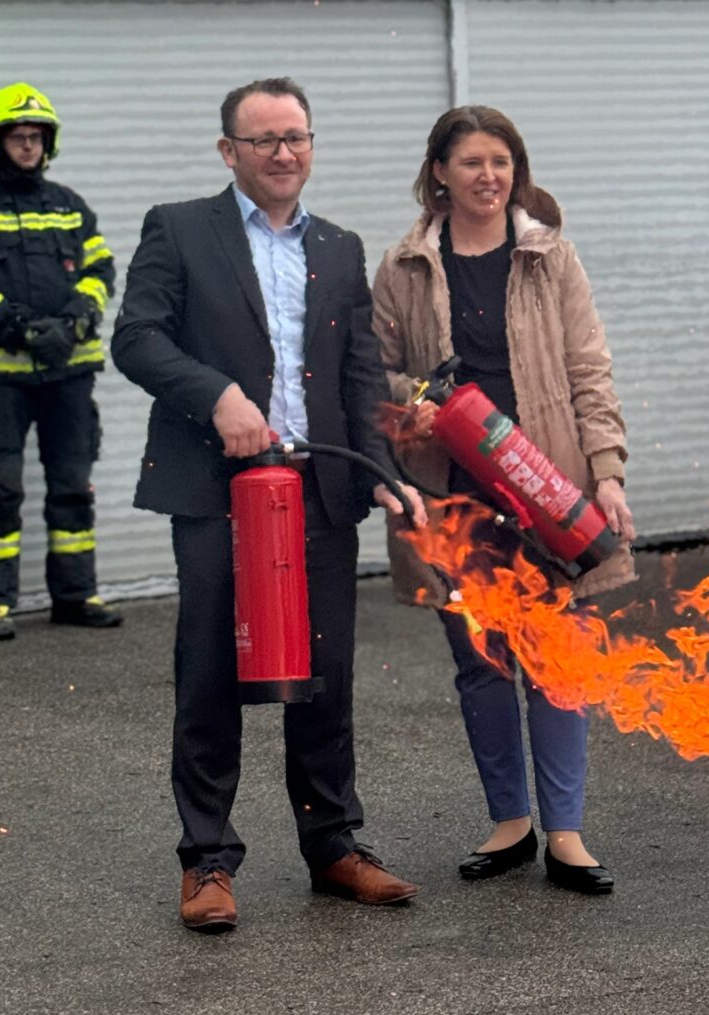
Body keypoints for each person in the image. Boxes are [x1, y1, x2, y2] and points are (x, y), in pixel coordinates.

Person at [112, 78, 427, 931]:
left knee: (324, 677)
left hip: (317, 489)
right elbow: (135, 338)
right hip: (217, 490)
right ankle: (207, 861)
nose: (283, 153)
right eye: (263, 140)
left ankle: (334, 846)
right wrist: (215, 396)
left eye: (296, 137)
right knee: (213, 667)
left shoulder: (338, 244)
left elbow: (360, 375)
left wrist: (385, 474)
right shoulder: (179, 229)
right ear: (229, 153)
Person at [372, 105, 637, 894]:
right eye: (472, 163)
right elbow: (373, 372)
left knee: (558, 665)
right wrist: (411, 400)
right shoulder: (403, 267)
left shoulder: (550, 257)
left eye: (502, 162)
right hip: (454, 501)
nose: (489, 176)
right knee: (482, 664)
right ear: (439, 174)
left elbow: (590, 369)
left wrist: (609, 471)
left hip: (549, 490)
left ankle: (565, 832)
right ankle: (509, 823)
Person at [0, 82, 123, 641]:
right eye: (18, 137)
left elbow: (100, 271)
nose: (28, 146)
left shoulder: (68, 205)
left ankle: (75, 594)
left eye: (36, 137)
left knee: (72, 485)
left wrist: (73, 325)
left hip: (69, 374)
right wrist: (19, 328)